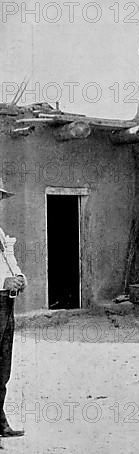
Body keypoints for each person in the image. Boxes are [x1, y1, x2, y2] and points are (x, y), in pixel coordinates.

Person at [0, 179, 26, 437]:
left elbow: (9, 257)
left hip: (5, 302)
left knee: (3, 366)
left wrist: (19, 276)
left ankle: (0, 422)